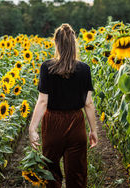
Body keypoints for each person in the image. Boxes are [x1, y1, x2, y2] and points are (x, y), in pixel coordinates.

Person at [29, 23, 98, 188]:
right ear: (74, 43)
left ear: (56, 43)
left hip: (52, 123)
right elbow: (88, 103)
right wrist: (93, 130)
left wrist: (32, 128)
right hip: (76, 123)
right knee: (77, 174)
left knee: (50, 173)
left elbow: (42, 101)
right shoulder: (84, 69)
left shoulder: (47, 67)